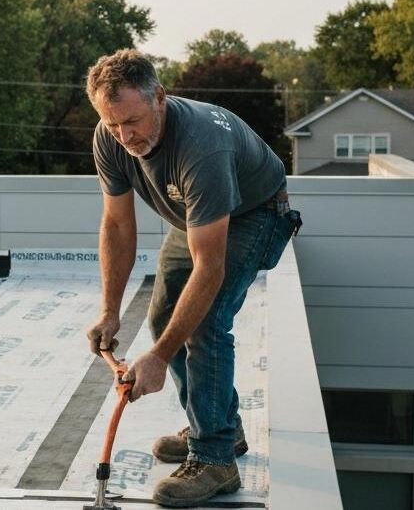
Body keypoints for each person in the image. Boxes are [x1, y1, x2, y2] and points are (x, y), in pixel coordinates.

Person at [83, 49, 300, 507]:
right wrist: (109, 310)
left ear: (159, 97)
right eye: (114, 124)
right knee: (164, 317)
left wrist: (159, 358)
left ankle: (215, 458)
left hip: (254, 212)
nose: (125, 136)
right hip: (194, 218)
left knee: (204, 323)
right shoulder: (110, 135)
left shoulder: (201, 145)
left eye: (134, 122)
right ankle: (222, 424)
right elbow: (118, 225)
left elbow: (211, 267)